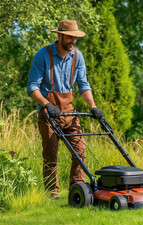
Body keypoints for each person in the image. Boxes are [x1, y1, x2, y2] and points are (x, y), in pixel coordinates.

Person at [27, 20, 104, 198]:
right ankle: (51, 193)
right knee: (50, 155)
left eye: (75, 38)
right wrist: (47, 104)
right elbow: (32, 87)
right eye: (70, 37)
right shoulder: (43, 55)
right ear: (60, 35)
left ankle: (78, 191)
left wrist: (93, 107)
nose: (73, 41)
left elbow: (83, 85)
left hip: (70, 112)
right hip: (49, 113)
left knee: (80, 151)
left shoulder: (77, 56)